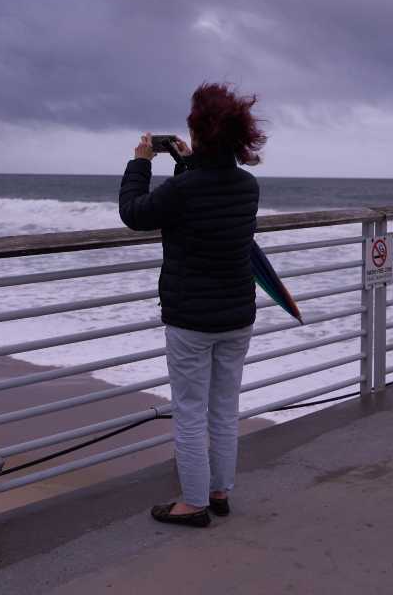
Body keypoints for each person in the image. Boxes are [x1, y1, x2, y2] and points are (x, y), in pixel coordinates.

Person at [118, 82, 265, 528]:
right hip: (237, 312)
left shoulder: (185, 190)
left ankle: (194, 503)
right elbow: (204, 195)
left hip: (191, 319)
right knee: (223, 406)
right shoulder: (248, 186)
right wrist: (190, 162)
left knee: (188, 409)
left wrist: (140, 163)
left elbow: (135, 212)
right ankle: (219, 492)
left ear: (199, 132)